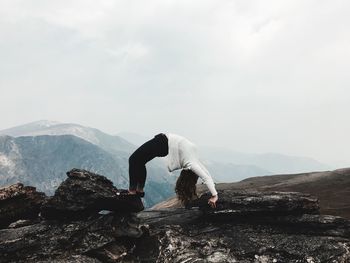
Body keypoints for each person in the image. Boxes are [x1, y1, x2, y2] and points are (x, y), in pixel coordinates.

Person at [127, 133, 218, 208]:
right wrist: (214, 194)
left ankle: (132, 192)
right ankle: (139, 191)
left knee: (133, 159)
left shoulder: (191, 164)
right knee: (140, 161)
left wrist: (215, 195)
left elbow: (206, 177)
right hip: (166, 144)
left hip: (163, 142)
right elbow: (206, 175)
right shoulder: (194, 163)